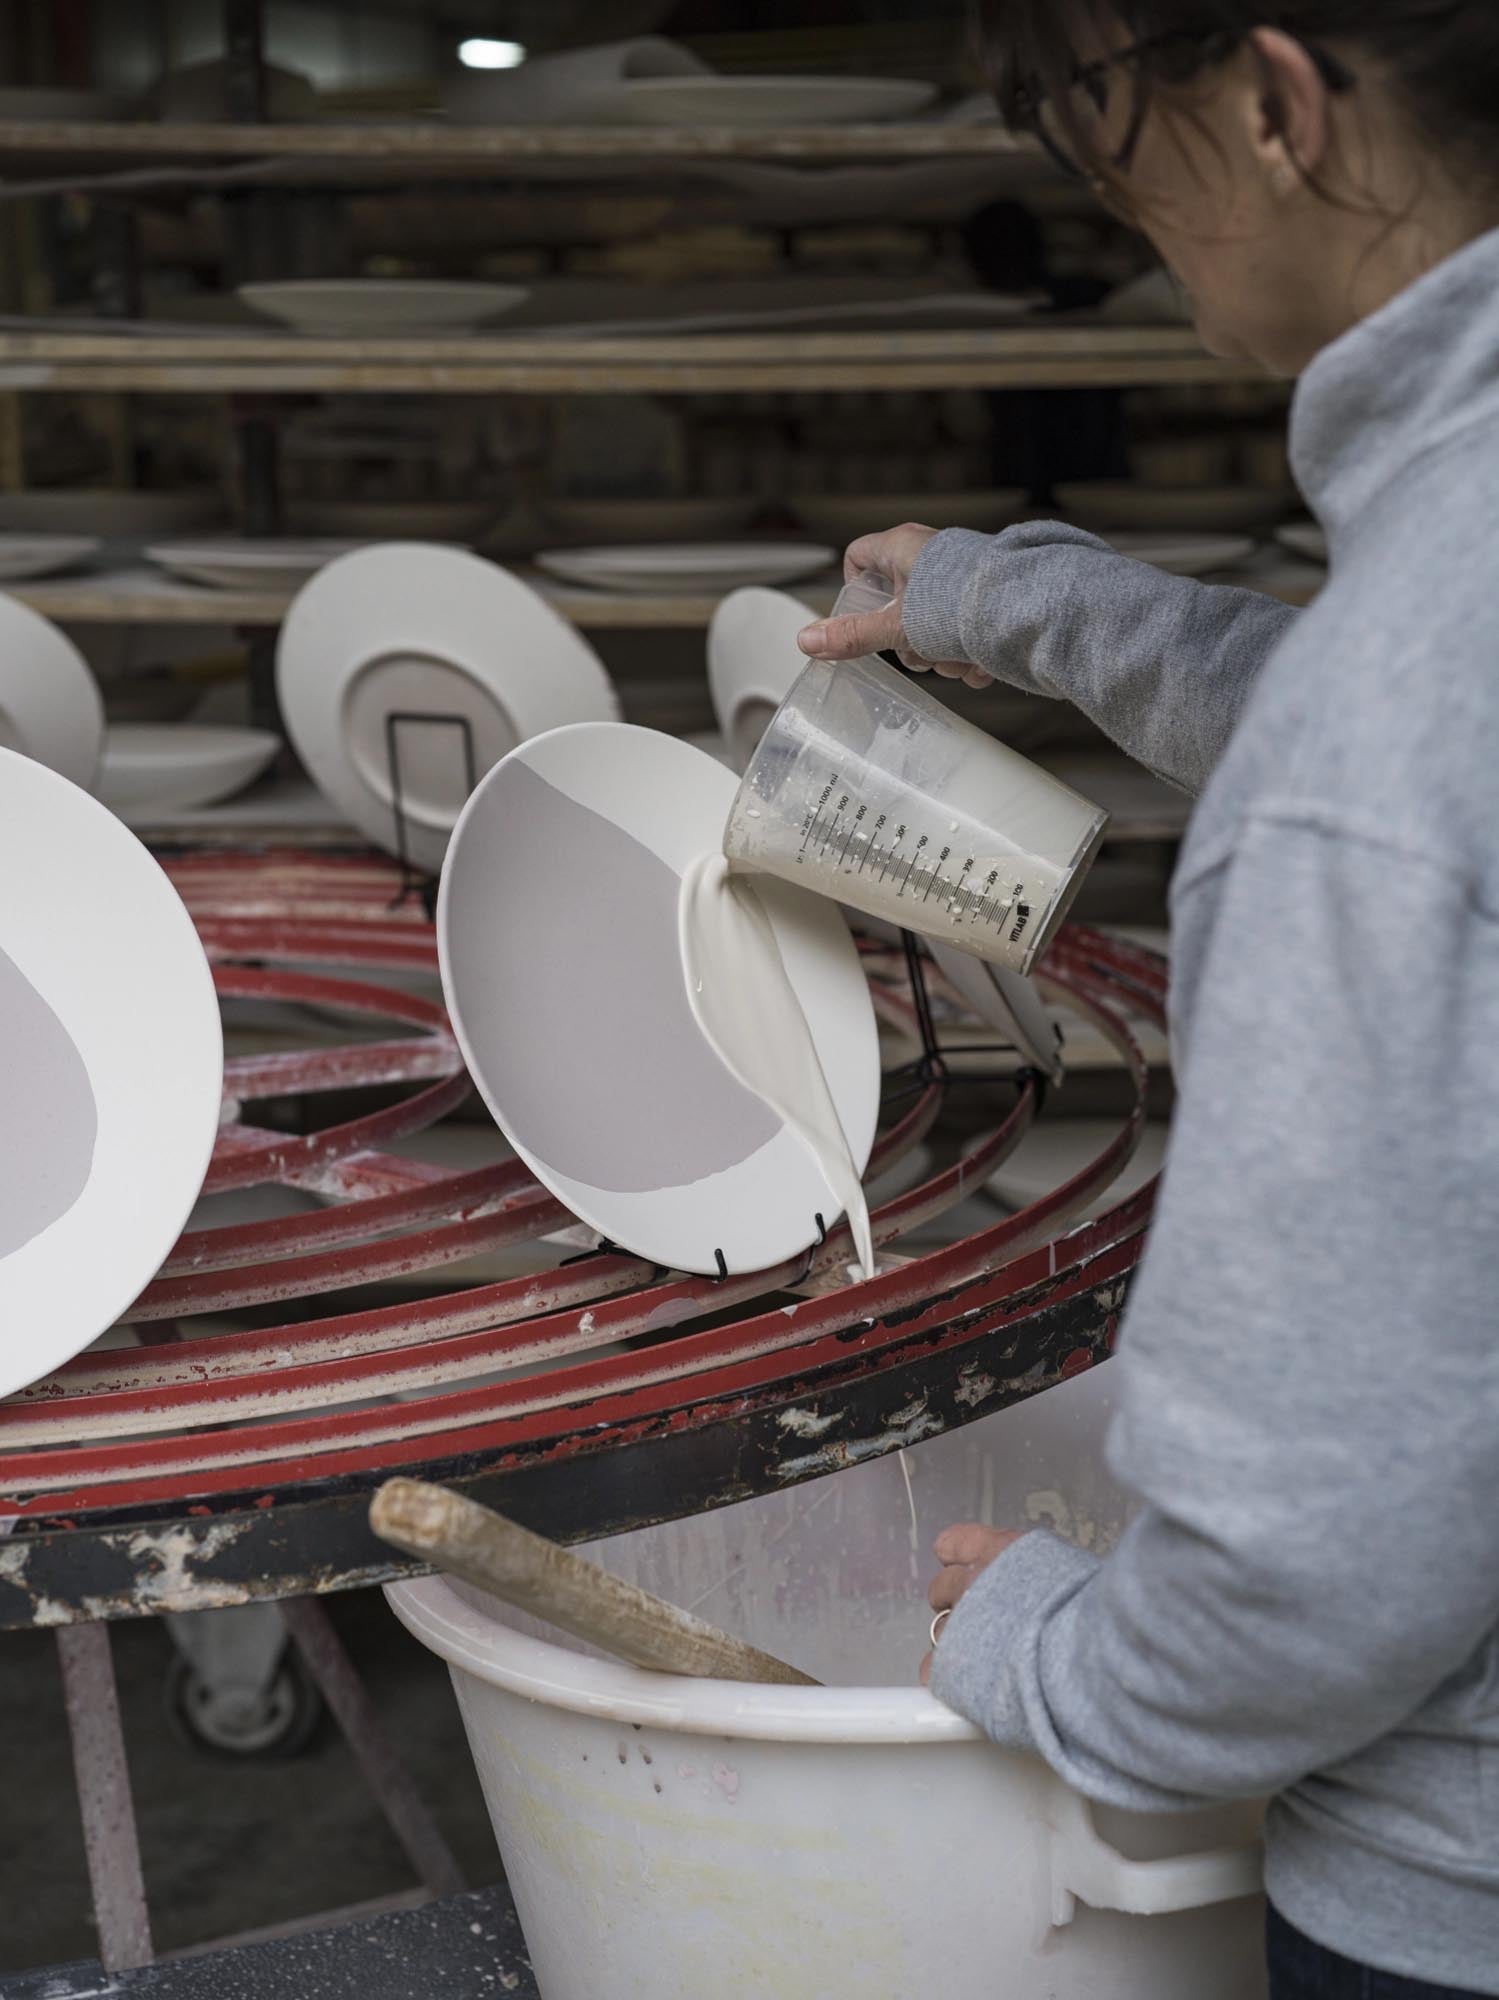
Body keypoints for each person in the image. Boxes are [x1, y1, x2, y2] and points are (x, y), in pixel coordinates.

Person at [797, 7, 1499, 1997]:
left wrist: (1055, 1650)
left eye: (1105, 136)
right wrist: (1022, 599)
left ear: (1275, 105)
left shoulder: (1371, 778)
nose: (1122, 221)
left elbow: (1324, 1547)